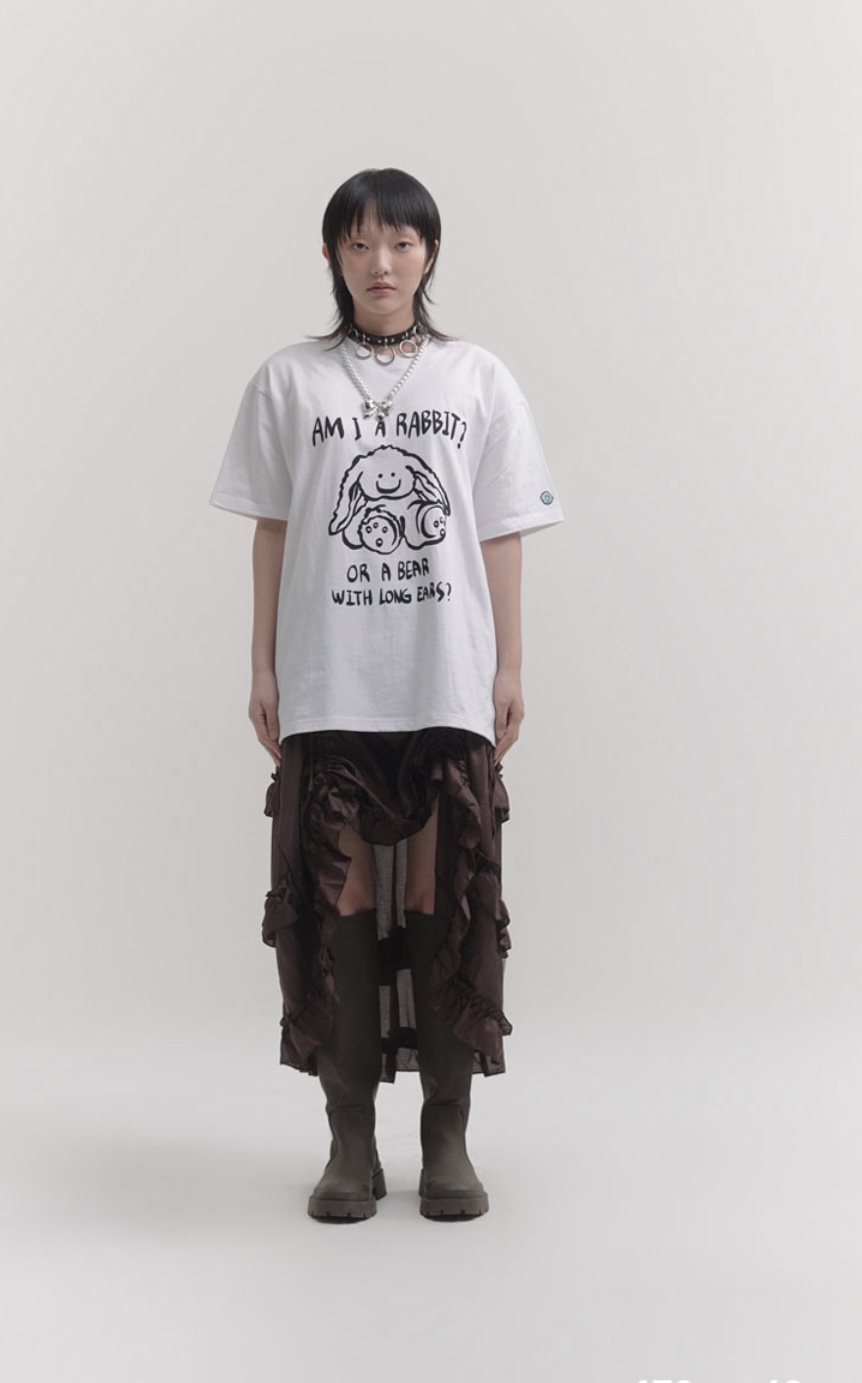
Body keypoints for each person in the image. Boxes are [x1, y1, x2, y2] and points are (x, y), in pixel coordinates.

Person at [208, 167, 564, 1223]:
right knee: (341, 899)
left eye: (402, 243)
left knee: (445, 894)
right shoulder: (289, 380)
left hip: (444, 670)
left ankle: (447, 1137)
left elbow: (500, 526)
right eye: (360, 243)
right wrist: (264, 664)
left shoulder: (477, 376)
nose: (382, 263)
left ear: (429, 255)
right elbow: (273, 528)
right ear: (333, 256)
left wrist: (507, 663)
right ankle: (350, 1142)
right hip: (331, 675)